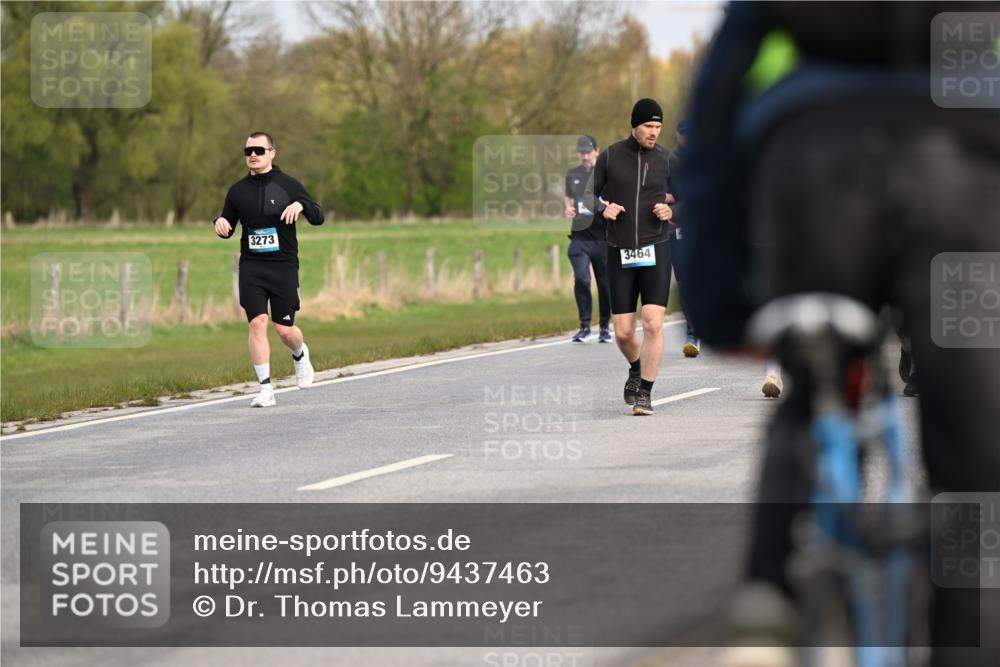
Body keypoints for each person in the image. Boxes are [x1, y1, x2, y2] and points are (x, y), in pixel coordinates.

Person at [679, 2, 1000, 665]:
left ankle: (767, 598)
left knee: (814, 374)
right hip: (961, 155)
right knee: (973, 449)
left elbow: (714, 102)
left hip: (811, 152)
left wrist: (714, 304)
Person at [213, 131, 325, 408]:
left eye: (259, 150)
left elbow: (318, 216)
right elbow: (227, 224)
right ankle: (265, 389)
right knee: (257, 322)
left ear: (272, 153)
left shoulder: (288, 185)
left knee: (284, 329)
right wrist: (219, 223)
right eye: (248, 151)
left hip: (283, 265)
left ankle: (300, 353)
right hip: (252, 266)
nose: (253, 155)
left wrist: (301, 204)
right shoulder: (237, 191)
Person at [588, 99, 674, 415]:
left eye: (658, 127)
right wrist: (603, 208)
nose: (654, 132)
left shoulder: (667, 159)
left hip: (656, 247)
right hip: (620, 251)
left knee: (652, 322)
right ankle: (636, 368)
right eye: (648, 126)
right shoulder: (611, 156)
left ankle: (645, 393)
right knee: (623, 332)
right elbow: (586, 196)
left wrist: (673, 210)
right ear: (634, 125)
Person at [564, 134, 612, 343]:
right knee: (582, 279)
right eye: (581, 152)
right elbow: (568, 197)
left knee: (604, 284)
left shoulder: (606, 173)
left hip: (602, 237)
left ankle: (604, 327)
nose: (584, 156)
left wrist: (606, 205)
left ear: (596, 151)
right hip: (580, 237)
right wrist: (567, 208)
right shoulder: (572, 174)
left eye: (588, 152)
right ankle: (584, 326)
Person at [665, 119, 701, 358]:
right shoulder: (670, 160)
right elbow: (662, 192)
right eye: (683, 134)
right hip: (677, 227)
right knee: (684, 282)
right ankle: (692, 332)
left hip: (703, 226)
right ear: (678, 136)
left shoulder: (705, 155)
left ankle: (702, 326)